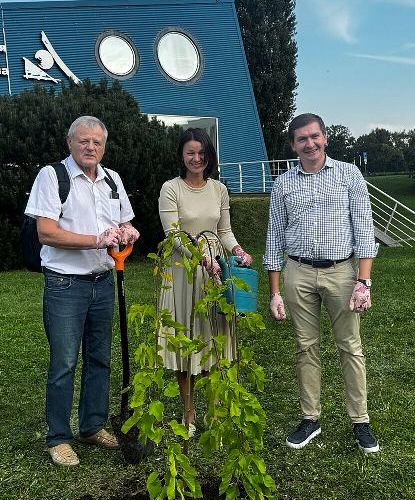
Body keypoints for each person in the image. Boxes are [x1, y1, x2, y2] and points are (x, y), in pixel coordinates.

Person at [24, 115, 140, 467]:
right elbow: (45, 232)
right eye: (84, 141)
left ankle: (92, 426)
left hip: (102, 282)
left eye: (97, 142)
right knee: (64, 362)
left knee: (99, 359)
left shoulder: (112, 179)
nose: (91, 147)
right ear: (70, 142)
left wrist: (128, 231)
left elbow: (123, 221)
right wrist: (96, 240)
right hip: (65, 284)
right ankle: (58, 437)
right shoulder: (52, 176)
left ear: (104, 147)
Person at [265, 113, 380, 454]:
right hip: (298, 273)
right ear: (293, 145)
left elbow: (364, 229)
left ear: (325, 137)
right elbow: (274, 237)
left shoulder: (348, 174)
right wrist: (274, 292)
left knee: (350, 346)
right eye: (302, 139)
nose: (309, 143)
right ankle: (310, 418)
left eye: (314, 136)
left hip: (342, 273)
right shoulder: (283, 184)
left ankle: (360, 421)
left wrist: (364, 281)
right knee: (305, 346)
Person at [158, 128, 253, 437]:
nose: (196, 158)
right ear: (181, 156)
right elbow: (173, 235)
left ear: (209, 156)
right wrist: (201, 258)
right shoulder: (170, 188)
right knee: (185, 343)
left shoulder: (219, 189)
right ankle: (189, 411)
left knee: (213, 340)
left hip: (215, 276)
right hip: (184, 273)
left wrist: (237, 251)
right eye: (190, 152)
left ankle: (213, 409)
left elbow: (224, 231)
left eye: (202, 152)